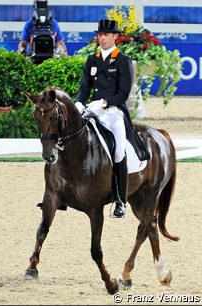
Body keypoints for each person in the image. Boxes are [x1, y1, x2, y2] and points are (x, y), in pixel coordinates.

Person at [75, 19, 134, 218]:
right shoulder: (92, 59)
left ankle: (120, 200)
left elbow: (123, 94)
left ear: (115, 37)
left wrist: (104, 103)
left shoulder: (122, 60)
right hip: (93, 110)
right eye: (100, 35)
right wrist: (78, 103)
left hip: (114, 112)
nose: (102, 38)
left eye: (106, 35)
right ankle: (65, 190)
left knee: (118, 152)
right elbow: (85, 88)